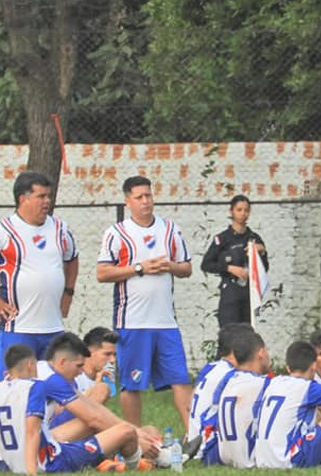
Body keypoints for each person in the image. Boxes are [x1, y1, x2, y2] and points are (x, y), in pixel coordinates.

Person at [97, 175, 194, 433]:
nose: (145, 201)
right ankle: (134, 439)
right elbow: (103, 273)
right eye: (139, 197)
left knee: (180, 379)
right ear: (127, 201)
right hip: (132, 322)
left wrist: (170, 266)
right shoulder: (117, 233)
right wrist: (140, 267)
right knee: (132, 383)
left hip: (166, 322)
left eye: (148, 195)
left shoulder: (170, 229)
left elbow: (187, 268)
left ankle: (194, 438)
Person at [0, 338, 142, 473]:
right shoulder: (37, 387)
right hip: (51, 460)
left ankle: (112, 460)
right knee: (126, 430)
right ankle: (135, 466)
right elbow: (32, 432)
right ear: (30, 364)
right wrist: (32, 472)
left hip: (8, 462)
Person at [0, 171, 79, 379]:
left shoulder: (60, 228)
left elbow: (72, 258)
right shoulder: (2, 231)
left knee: (54, 388)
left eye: (48, 196)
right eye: (41, 196)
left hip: (53, 327)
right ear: (23, 199)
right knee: (16, 387)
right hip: (17, 327)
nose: (47, 201)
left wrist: (68, 293)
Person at [188, 323, 256, 462]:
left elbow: (190, 404)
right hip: (209, 445)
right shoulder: (233, 375)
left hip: (194, 442)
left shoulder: (210, 367)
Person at [205, 329, 271, 467]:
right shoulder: (263, 384)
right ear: (261, 353)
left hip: (222, 453)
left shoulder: (227, 381)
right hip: (249, 456)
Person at [201, 194, 269, 326]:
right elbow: (206, 264)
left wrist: (262, 252)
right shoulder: (222, 239)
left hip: (249, 296)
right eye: (239, 210)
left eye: (246, 210)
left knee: (247, 336)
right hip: (230, 296)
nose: (243, 213)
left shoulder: (254, 238)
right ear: (231, 211)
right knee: (229, 334)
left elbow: (264, 268)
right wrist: (229, 268)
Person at [37, 327, 119, 428]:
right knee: (102, 391)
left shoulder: (47, 369)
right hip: (51, 432)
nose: (112, 360)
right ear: (90, 353)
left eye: (115, 355)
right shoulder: (65, 377)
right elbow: (57, 411)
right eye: (107, 354)